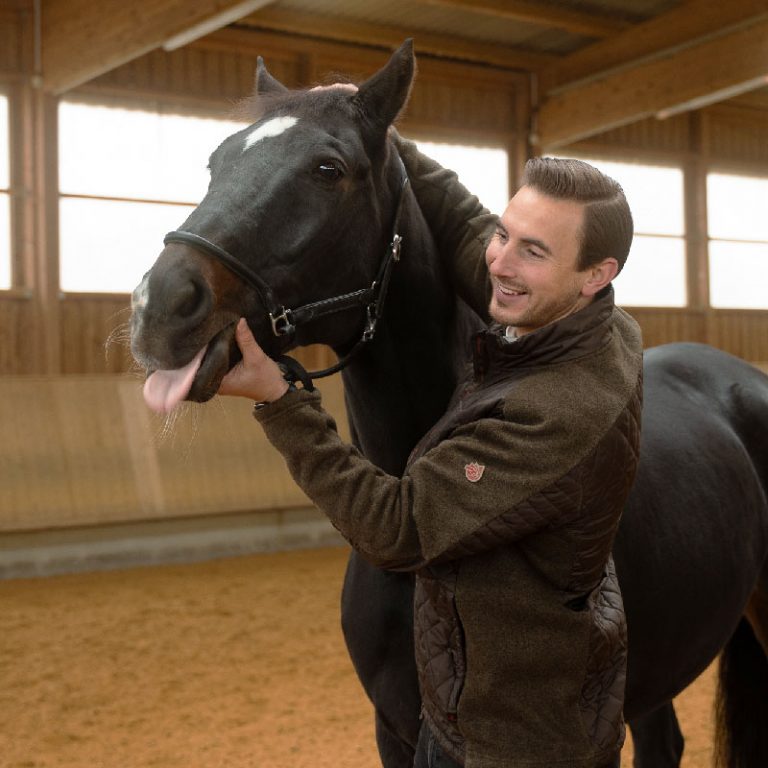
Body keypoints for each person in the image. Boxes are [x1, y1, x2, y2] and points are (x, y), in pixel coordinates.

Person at [217, 142, 643, 768]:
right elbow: (470, 230)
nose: (500, 261)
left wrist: (280, 401)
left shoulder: (555, 411)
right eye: (506, 233)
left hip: (505, 741)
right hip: (480, 698)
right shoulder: (602, 326)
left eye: (533, 250)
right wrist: (389, 146)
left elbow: (398, 527)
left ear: (595, 275)